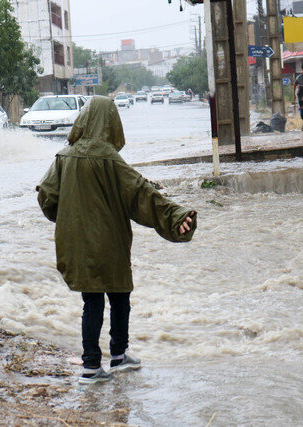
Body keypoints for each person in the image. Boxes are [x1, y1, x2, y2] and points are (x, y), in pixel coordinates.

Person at [36, 96, 197, 385]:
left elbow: (47, 198)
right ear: (111, 123)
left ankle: (91, 365)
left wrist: (69, 218)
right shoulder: (112, 160)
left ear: (84, 120)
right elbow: (142, 195)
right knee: (120, 297)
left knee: (92, 301)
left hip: (79, 243)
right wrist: (177, 216)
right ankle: (118, 355)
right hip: (111, 243)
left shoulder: (63, 158)